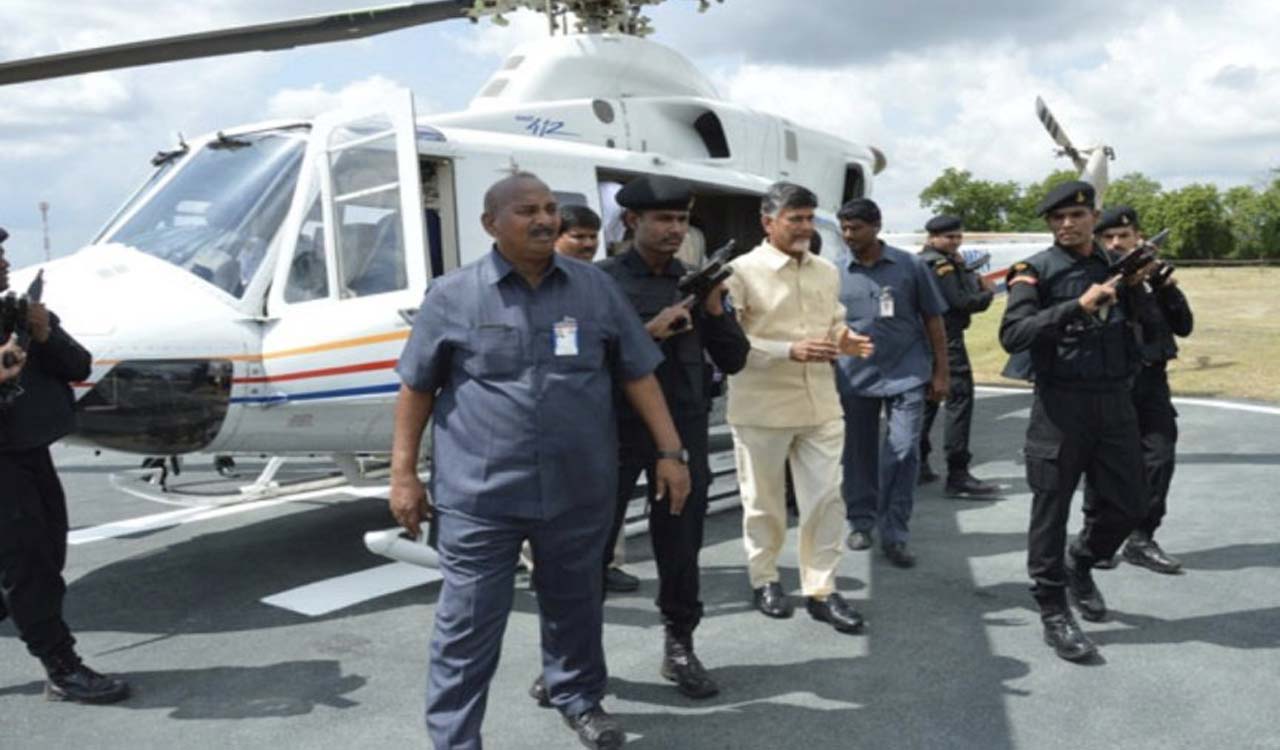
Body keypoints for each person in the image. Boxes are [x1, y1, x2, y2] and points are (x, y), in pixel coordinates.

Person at [388, 173, 690, 750]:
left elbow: (637, 372)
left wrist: (671, 452)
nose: (545, 219)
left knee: (575, 604)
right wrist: (403, 475)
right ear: (491, 224)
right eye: (528, 209)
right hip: (481, 496)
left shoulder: (594, 290)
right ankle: (456, 738)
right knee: (467, 624)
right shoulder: (453, 295)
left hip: (578, 489)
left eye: (550, 208)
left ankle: (579, 698)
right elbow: (416, 388)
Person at [595, 174, 749, 698]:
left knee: (680, 546)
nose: (674, 229)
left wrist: (713, 309)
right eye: (663, 219)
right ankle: (574, 659)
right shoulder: (599, 282)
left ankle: (680, 646)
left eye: (682, 220)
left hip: (682, 432)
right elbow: (583, 364)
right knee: (590, 549)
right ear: (633, 221)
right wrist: (651, 332)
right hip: (611, 431)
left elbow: (734, 359)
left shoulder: (696, 281)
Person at [999, 180, 1149, 662]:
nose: (1067, 224)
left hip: (1115, 403)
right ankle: (1053, 609)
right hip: (1061, 408)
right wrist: (1077, 306)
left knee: (1130, 504)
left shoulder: (1117, 266)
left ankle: (1081, 560)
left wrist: (1148, 284)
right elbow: (1014, 333)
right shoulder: (1033, 270)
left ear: (1093, 218)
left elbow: (1156, 327)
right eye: (1057, 218)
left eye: (1076, 216)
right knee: (1051, 508)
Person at [723, 181, 874, 635]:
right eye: (796, 219)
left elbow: (834, 324)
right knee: (763, 503)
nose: (806, 227)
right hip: (761, 407)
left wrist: (844, 341)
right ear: (768, 222)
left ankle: (822, 589)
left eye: (810, 218)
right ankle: (765, 578)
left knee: (827, 499)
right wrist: (788, 350)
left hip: (821, 405)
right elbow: (728, 341)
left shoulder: (827, 270)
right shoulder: (740, 271)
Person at [0, 238, 129, 704]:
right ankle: (62, 668)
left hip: (30, 451)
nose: (5, 262)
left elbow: (79, 365)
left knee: (47, 554)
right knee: (31, 566)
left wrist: (44, 332)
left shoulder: (17, 315)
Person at [836, 199, 949, 569]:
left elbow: (934, 320)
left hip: (907, 374)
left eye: (856, 228)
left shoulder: (911, 266)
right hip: (855, 377)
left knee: (903, 452)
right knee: (858, 452)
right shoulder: (835, 272)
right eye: (845, 228)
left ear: (877, 225)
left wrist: (941, 372)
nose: (849, 235)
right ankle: (861, 521)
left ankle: (896, 533)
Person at [1083, 206, 1193, 574]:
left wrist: (1162, 287)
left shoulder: (1154, 278)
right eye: (1108, 238)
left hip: (1152, 381)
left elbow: (1184, 326)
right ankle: (1095, 541)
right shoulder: (1099, 278)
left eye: (1123, 237)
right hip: (1114, 384)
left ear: (1139, 239)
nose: (1116, 244)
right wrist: (1125, 285)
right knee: (1104, 464)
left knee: (1160, 457)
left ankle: (1142, 538)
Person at [917, 215, 1001, 497]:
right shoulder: (941, 266)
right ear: (932, 238)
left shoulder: (925, 262)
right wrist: (988, 293)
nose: (954, 242)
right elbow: (961, 302)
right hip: (948, 340)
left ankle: (918, 463)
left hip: (923, 341)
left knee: (928, 401)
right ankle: (958, 473)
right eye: (948, 237)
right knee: (959, 402)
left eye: (957, 236)